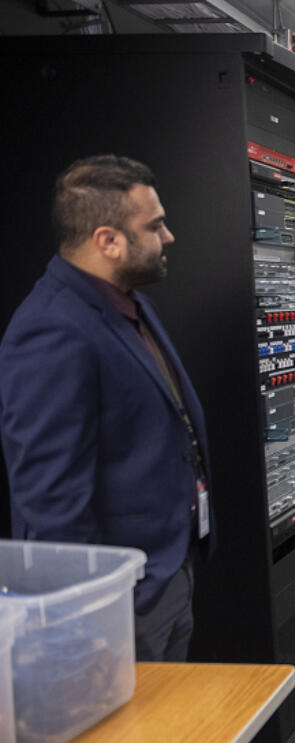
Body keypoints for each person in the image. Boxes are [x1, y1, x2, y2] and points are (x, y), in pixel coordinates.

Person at [0, 155, 212, 661]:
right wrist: (83, 620)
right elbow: (50, 497)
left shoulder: (127, 304)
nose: (169, 237)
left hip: (166, 572)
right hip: (118, 604)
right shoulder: (53, 329)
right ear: (107, 240)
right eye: (155, 225)